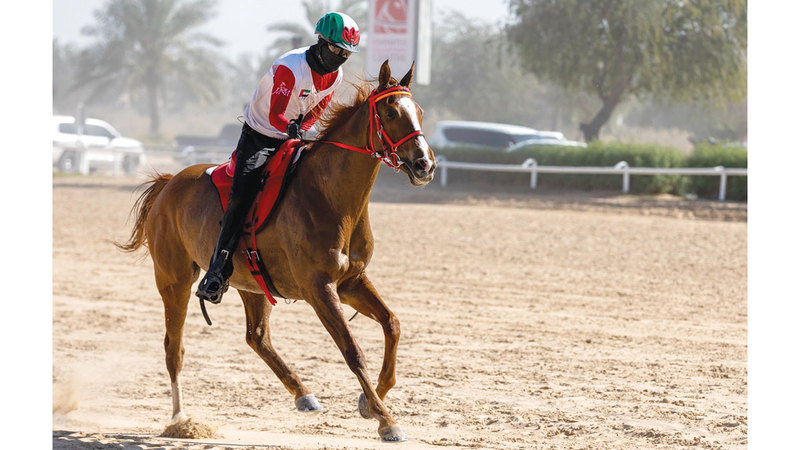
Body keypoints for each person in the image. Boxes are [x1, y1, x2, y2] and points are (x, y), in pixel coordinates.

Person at [195, 12, 361, 304]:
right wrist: (290, 129)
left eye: (346, 53)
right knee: (243, 194)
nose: (340, 57)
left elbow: (319, 109)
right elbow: (276, 114)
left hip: (293, 135)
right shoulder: (291, 67)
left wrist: (302, 131)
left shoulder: (337, 75)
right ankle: (219, 267)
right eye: (336, 49)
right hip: (261, 134)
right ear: (321, 42)